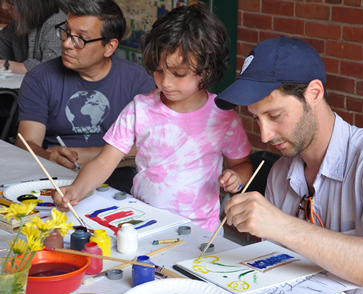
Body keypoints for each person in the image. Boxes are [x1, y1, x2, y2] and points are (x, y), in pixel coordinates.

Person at [214, 36, 363, 294]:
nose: (265, 135)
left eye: (275, 115)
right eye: (256, 118)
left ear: (314, 93)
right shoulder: (280, 173)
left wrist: (280, 225)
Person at [52, 3, 253, 232]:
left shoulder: (223, 117)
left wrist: (236, 176)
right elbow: (104, 161)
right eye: (159, 70)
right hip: (144, 221)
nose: (165, 82)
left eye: (178, 74)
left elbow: (243, 164)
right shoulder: (141, 108)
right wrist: (76, 189)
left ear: (206, 71)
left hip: (199, 230)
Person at [16, 0, 155, 193]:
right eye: (66, 32)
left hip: (119, 177)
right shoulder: (39, 78)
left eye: (81, 38)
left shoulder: (139, 81)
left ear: (109, 47)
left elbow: (149, 146)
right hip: (56, 174)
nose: (66, 43)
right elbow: (27, 144)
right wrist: (48, 157)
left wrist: (86, 155)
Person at [0, 0, 65, 74]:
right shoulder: (19, 21)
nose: (3, 7)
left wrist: (7, 65)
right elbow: (2, 44)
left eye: (10, 4)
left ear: (30, 5)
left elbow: (50, 68)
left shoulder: (56, 24)